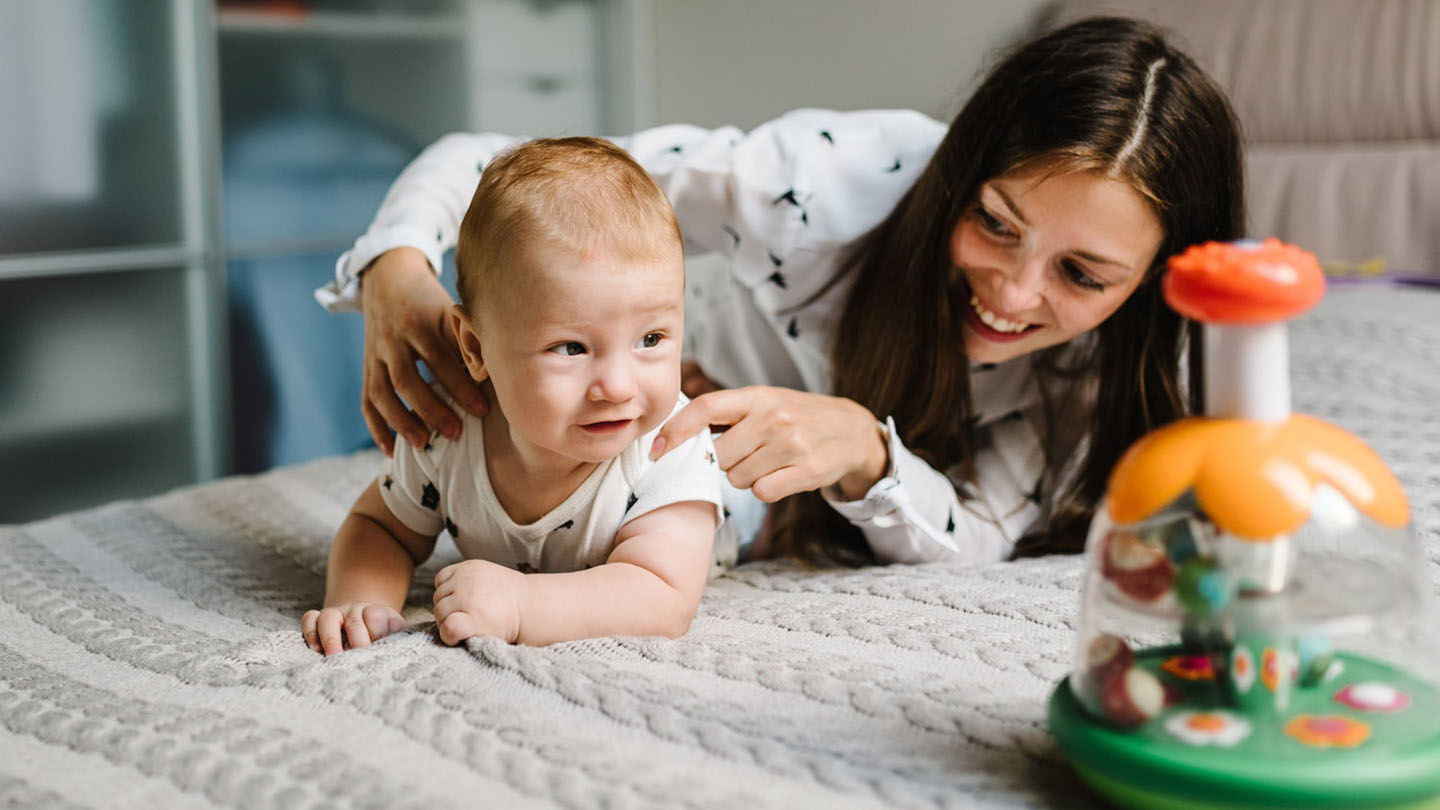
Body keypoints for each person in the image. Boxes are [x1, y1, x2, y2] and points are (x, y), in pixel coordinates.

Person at [316, 16, 1244, 568]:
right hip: (659, 413)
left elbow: (981, 537)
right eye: (995, 222)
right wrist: (396, 268)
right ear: (957, 173)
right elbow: (497, 164)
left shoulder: (1103, 379)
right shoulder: (825, 184)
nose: (1010, 288)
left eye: (1081, 275)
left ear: (1156, 282)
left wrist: (867, 458)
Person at [302, 137, 724, 655]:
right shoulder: (450, 431)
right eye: (571, 347)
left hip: (737, 497)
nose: (618, 387)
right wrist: (360, 600)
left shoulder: (671, 443)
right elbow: (380, 527)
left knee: (776, 511)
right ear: (475, 347)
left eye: (651, 340)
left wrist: (523, 603)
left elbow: (663, 598)